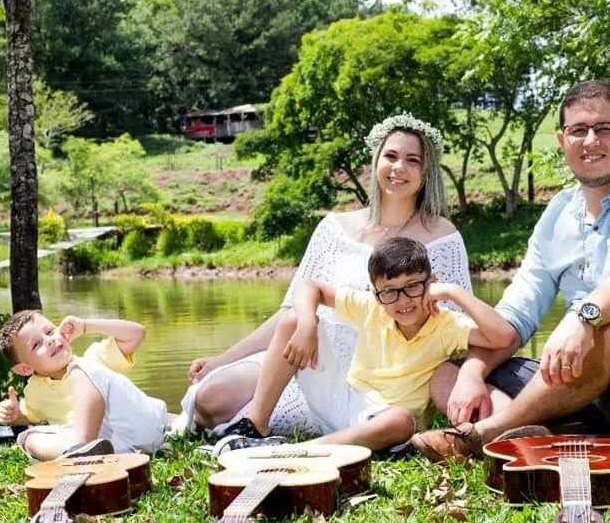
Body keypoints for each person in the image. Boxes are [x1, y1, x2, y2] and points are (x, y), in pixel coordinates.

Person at [412, 80, 610, 461]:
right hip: (590, 386)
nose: (591, 140)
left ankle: (488, 434)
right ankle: (541, 432)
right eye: (578, 130)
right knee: (450, 370)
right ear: (562, 140)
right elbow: (515, 316)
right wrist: (473, 373)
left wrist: (583, 316)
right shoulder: (558, 213)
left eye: (605, 129)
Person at [179, 113, 473, 442]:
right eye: (390, 156)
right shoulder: (334, 228)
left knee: (380, 419)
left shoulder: (443, 237)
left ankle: (317, 436)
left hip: (380, 385)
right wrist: (223, 358)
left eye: (412, 160)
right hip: (311, 359)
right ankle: (255, 425)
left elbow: (456, 332)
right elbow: (291, 309)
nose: (398, 168)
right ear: (376, 159)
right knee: (210, 399)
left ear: (426, 171)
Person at [213, 237, 517, 453]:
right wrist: (307, 322)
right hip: (343, 400)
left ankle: (295, 453)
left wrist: (453, 292)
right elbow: (309, 286)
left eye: (413, 286)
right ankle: (255, 427)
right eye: (390, 292)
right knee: (292, 320)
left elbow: (503, 336)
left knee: (402, 420)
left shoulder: (446, 324)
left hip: (387, 421)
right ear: (375, 294)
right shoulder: (371, 308)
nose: (403, 301)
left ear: (431, 282)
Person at [0, 311, 168, 461]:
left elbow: (137, 333)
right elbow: (29, 418)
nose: (49, 341)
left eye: (50, 331)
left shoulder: (94, 358)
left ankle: (82, 448)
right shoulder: (35, 392)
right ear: (26, 368)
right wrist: (16, 415)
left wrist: (86, 326)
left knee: (78, 372)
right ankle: (81, 453)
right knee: (28, 439)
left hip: (142, 427)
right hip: (116, 449)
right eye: (36, 344)